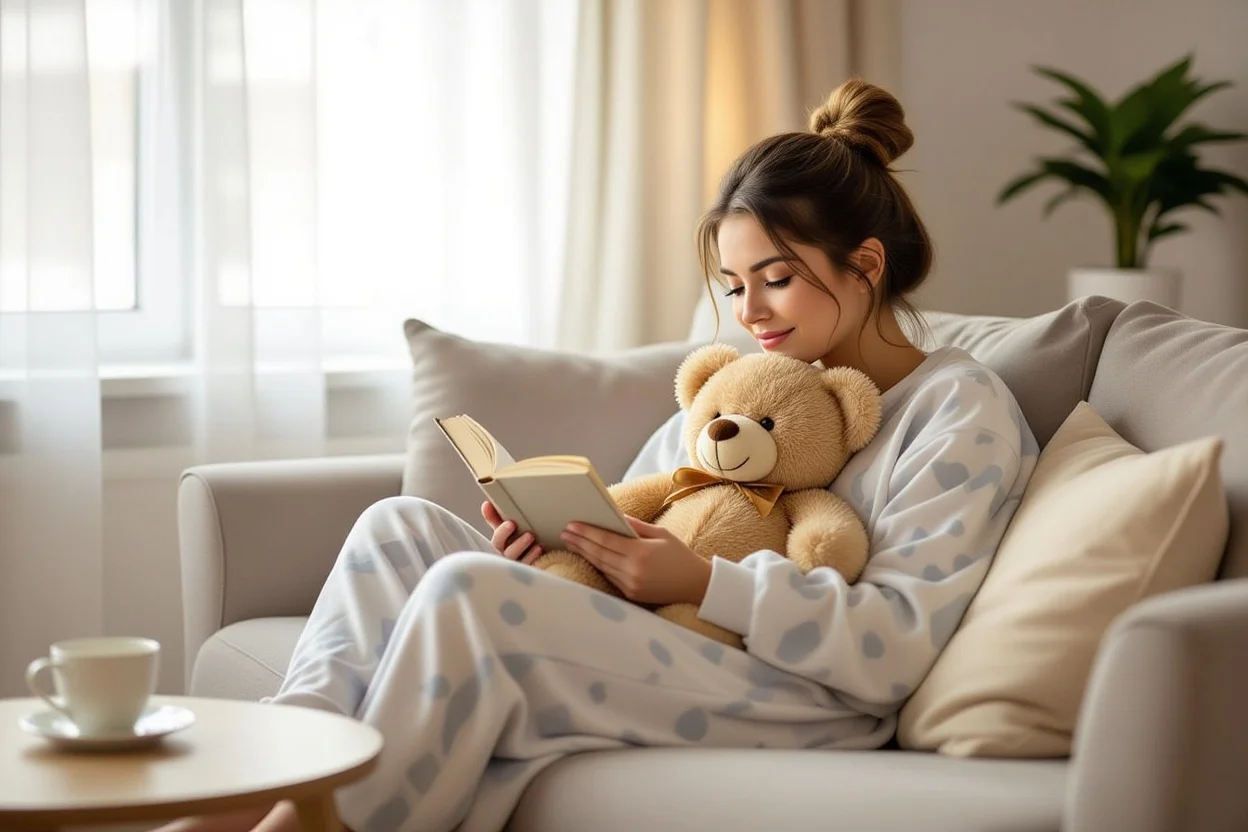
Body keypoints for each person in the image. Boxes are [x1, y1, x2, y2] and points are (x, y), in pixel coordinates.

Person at [159, 78, 1037, 832]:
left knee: (472, 596)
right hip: (679, 636)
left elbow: (894, 642)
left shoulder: (957, 410)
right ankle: (269, 782)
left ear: (866, 263)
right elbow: (647, 508)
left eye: (775, 276)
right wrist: (560, 543)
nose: (752, 313)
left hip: (812, 693)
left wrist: (700, 583)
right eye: (733, 287)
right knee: (399, 529)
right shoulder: (746, 384)